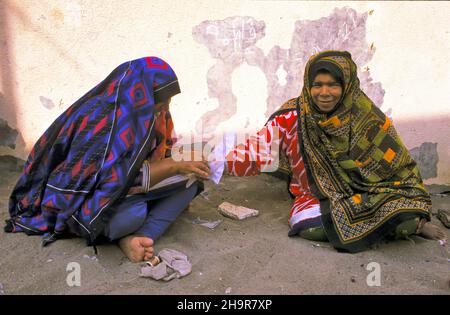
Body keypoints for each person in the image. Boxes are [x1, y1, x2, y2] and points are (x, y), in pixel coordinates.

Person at [225, 50, 447, 253]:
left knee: (404, 218)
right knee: (307, 226)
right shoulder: (293, 116)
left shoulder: (369, 118)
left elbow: (399, 169)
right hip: (314, 196)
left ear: (346, 85)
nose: (324, 92)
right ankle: (384, 228)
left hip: (367, 193)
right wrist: (217, 164)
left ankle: (414, 226)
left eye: (333, 85)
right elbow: (256, 149)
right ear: (307, 85)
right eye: (317, 85)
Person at [5, 56, 210, 262]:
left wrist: (183, 162)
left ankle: (140, 238)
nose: (166, 108)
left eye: (169, 101)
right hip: (87, 200)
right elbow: (106, 183)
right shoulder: (100, 122)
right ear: (142, 95)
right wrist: (172, 167)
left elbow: (162, 155)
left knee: (191, 184)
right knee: (131, 217)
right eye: (161, 101)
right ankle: (126, 234)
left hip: (131, 193)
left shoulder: (155, 115)